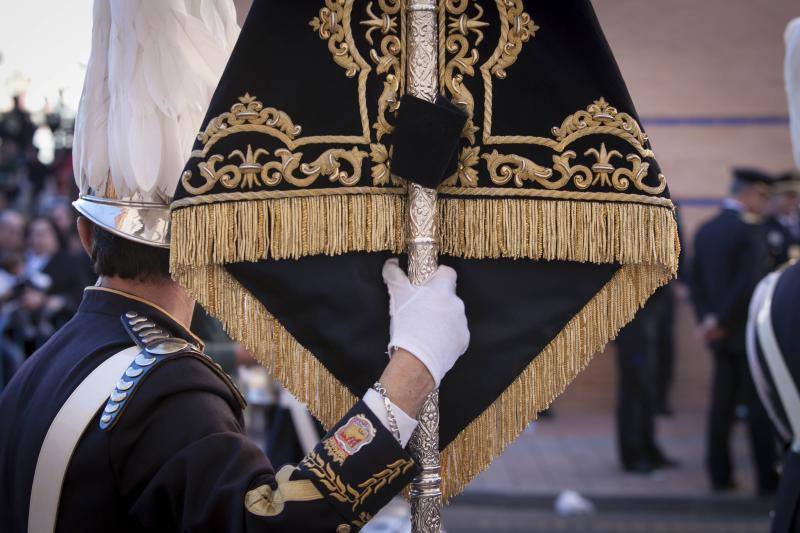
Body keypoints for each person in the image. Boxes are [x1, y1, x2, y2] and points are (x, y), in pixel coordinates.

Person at [0, 2, 470, 532]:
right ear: (211, 247)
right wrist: (412, 371)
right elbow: (267, 522)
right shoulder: (163, 385)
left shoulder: (40, 368)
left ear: (86, 234)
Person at [692, 168, 779, 494]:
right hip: (742, 332)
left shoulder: (707, 228)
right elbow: (746, 286)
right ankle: (767, 480)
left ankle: (719, 475)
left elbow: (695, 281)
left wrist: (708, 321)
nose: (764, 204)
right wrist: (723, 322)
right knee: (758, 408)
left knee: (721, 406)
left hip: (717, 332)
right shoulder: (748, 232)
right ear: (748, 194)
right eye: (761, 197)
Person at [765, 171, 800, 271]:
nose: (795, 200)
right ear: (774, 197)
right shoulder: (765, 225)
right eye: (789, 196)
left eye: (797, 196)